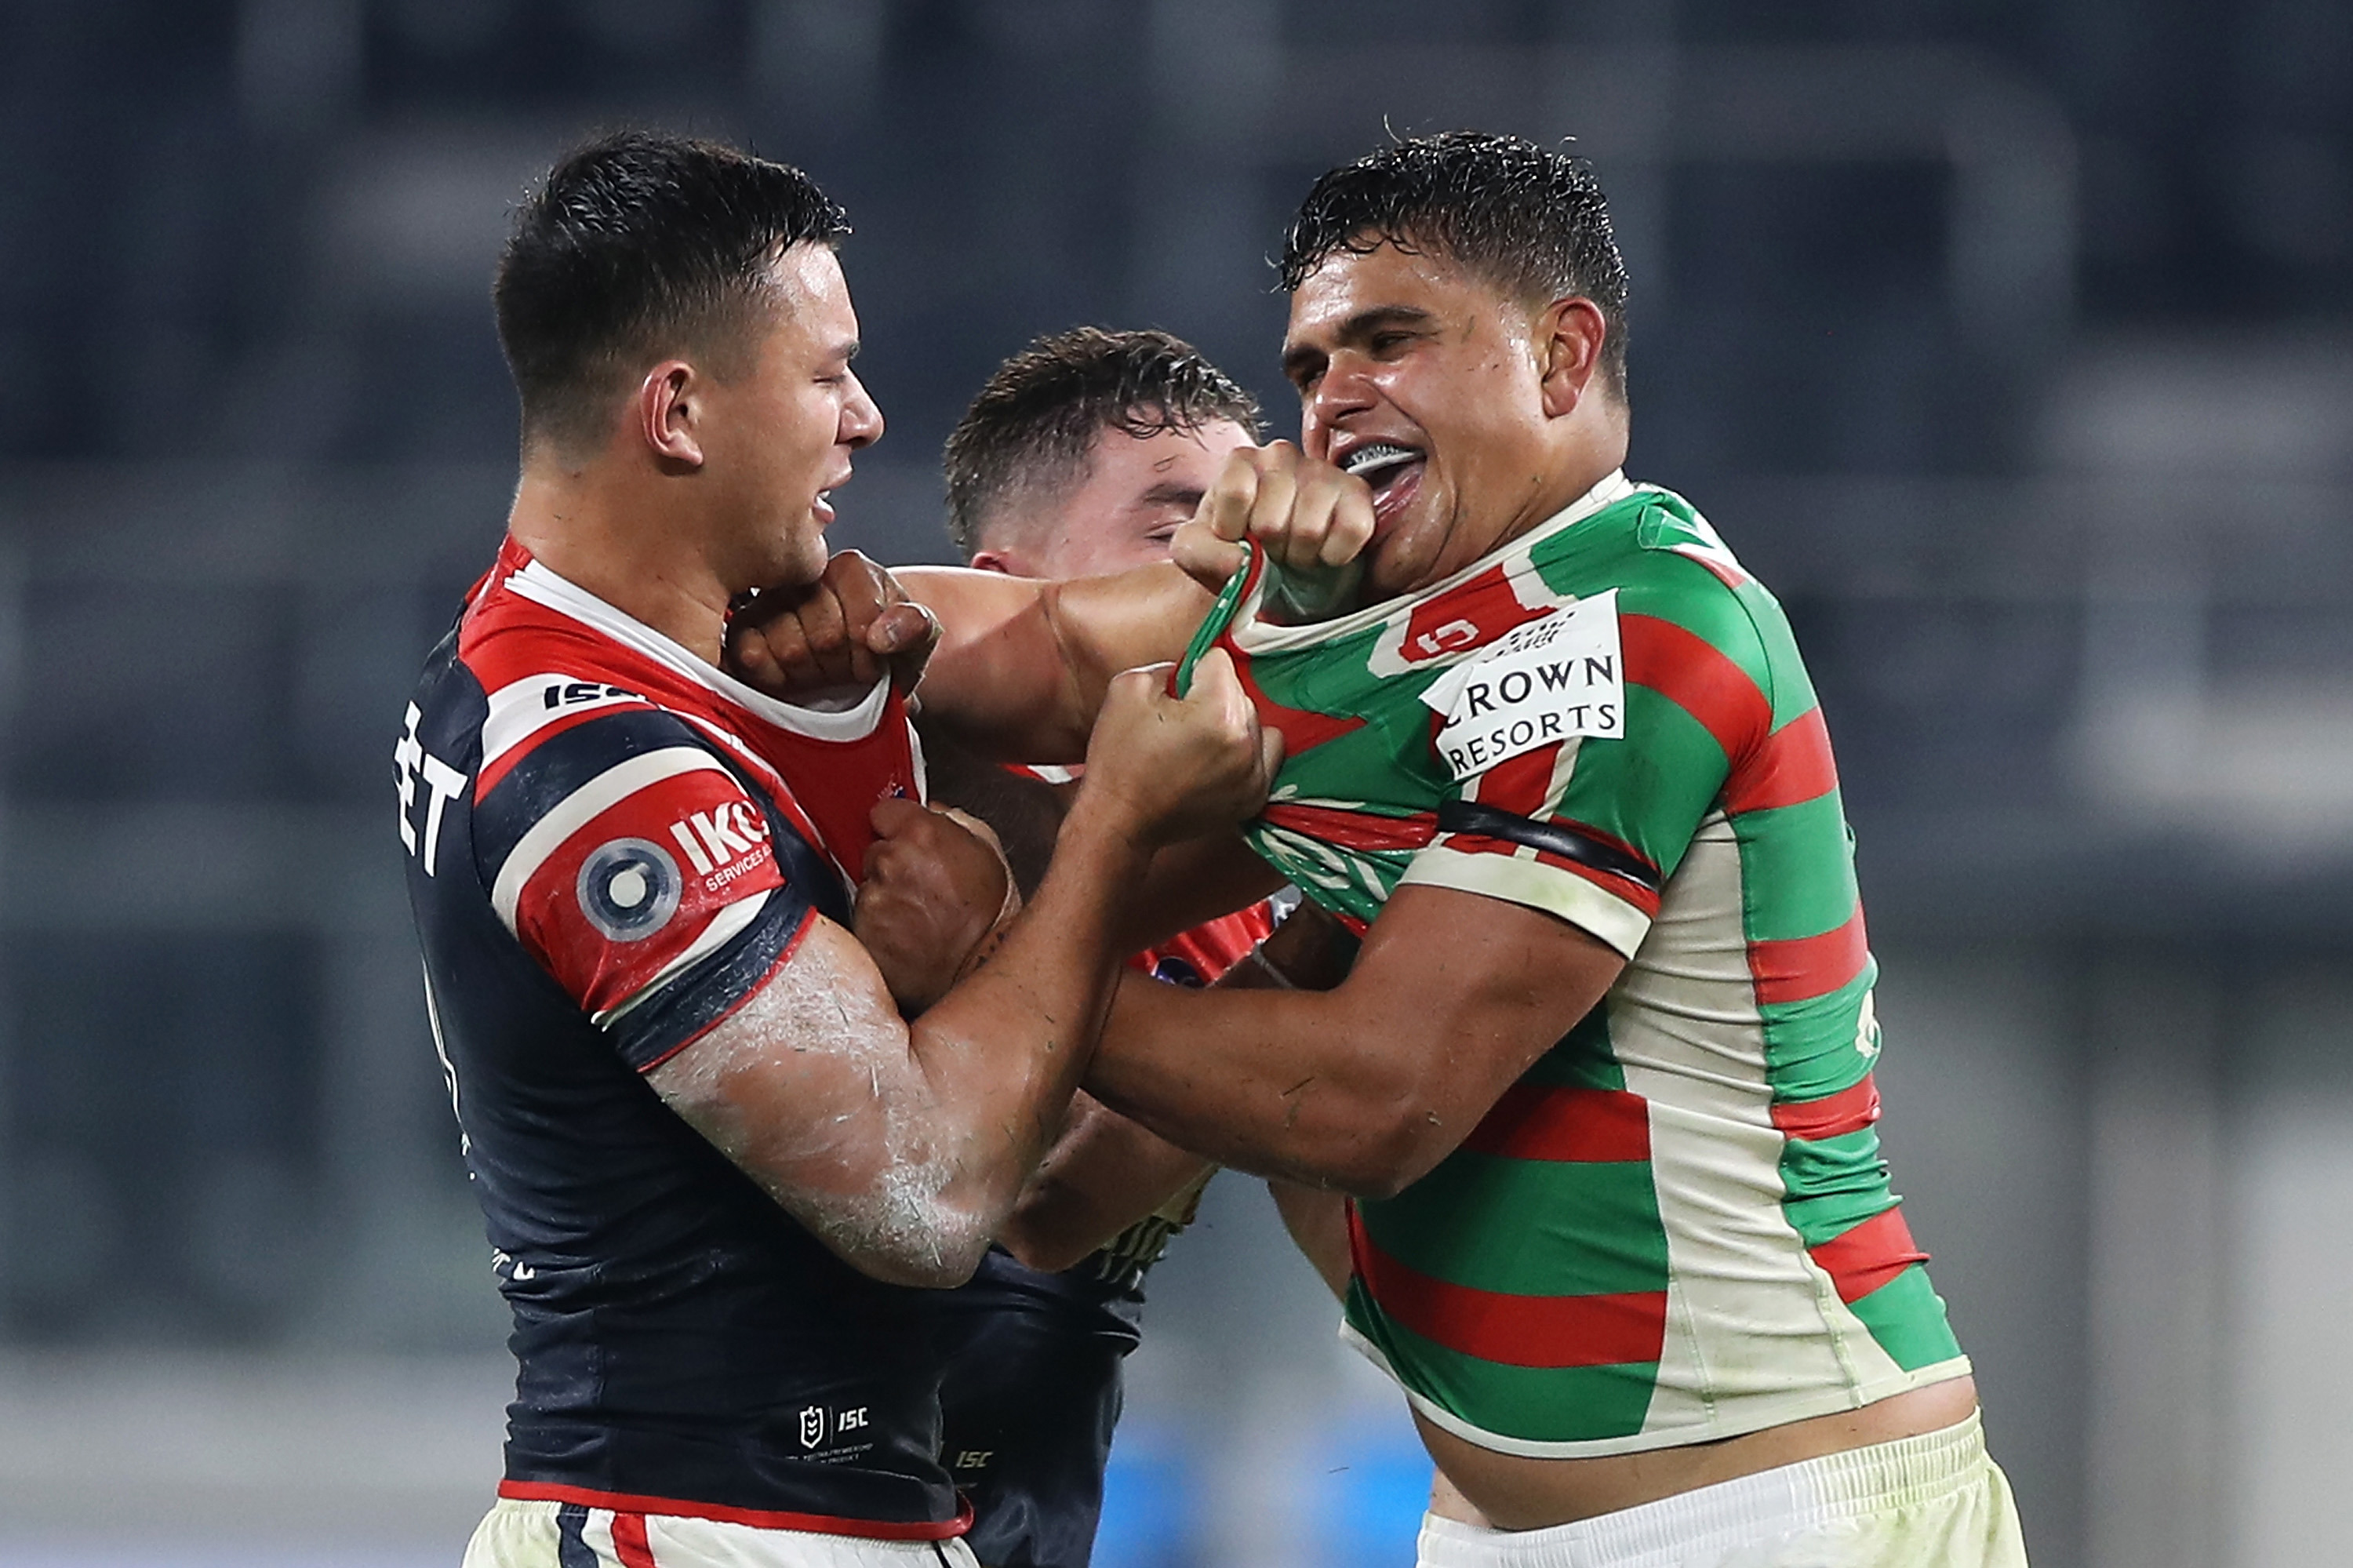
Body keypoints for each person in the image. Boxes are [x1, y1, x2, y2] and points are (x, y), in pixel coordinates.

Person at [734, 133, 2028, 1568]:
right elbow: (1041, 649)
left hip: (1773, 1517)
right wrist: (826, 618)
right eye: (1310, 366)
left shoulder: (1632, 629)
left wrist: (991, 955)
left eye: (1390, 340)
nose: (1339, 399)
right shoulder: (1387, 617)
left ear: (1559, 355)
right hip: (1494, 1521)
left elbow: (1377, 1105)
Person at [394, 129, 1275, 1568]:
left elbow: (1066, 641)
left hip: (844, 1517)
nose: (866, 420)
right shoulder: (592, 773)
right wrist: (1106, 831)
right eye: (826, 374)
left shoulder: (719, 662)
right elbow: (927, 1203)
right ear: (677, 416)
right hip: (706, 1525)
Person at [927, 326, 1287, 1568]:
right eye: (1172, 528)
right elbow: (1011, 1207)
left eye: (1247, 531)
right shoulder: (883, 827)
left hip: (1026, 1521)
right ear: (1007, 589)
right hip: (796, 1511)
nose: (1229, 576)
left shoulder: (1243, 876)